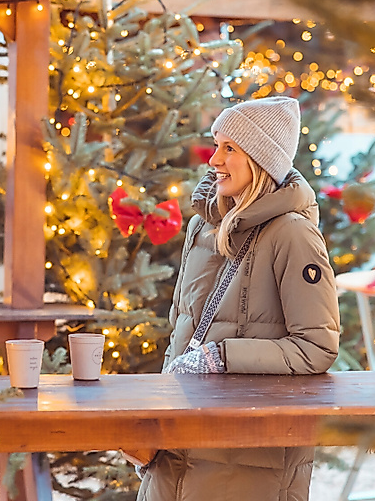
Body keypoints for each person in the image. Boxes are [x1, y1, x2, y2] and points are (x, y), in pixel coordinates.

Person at [134, 96, 340, 501]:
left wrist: (222, 356)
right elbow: (182, 331)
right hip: (175, 449)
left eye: (230, 149)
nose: (214, 160)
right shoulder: (202, 229)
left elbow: (317, 347)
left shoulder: (293, 235)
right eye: (216, 145)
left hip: (246, 466)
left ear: (261, 161)